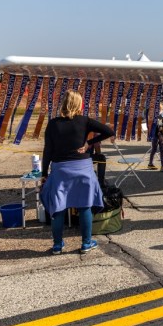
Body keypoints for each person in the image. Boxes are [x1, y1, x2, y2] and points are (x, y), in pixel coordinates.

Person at [40, 90, 115, 255]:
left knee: (58, 208)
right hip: (82, 168)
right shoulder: (84, 121)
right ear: (79, 104)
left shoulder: (53, 124)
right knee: (84, 206)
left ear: (64, 103)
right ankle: (86, 243)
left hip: (61, 170)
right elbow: (109, 131)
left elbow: (48, 150)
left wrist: (44, 172)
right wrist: (89, 143)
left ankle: (57, 245)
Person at [147, 102, 163, 172]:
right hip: (156, 136)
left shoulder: (160, 116)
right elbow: (156, 128)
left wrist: (162, 128)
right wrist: (160, 136)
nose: (161, 111)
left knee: (161, 150)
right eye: (160, 109)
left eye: (161, 109)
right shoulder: (154, 117)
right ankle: (150, 163)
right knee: (154, 149)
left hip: (161, 135)